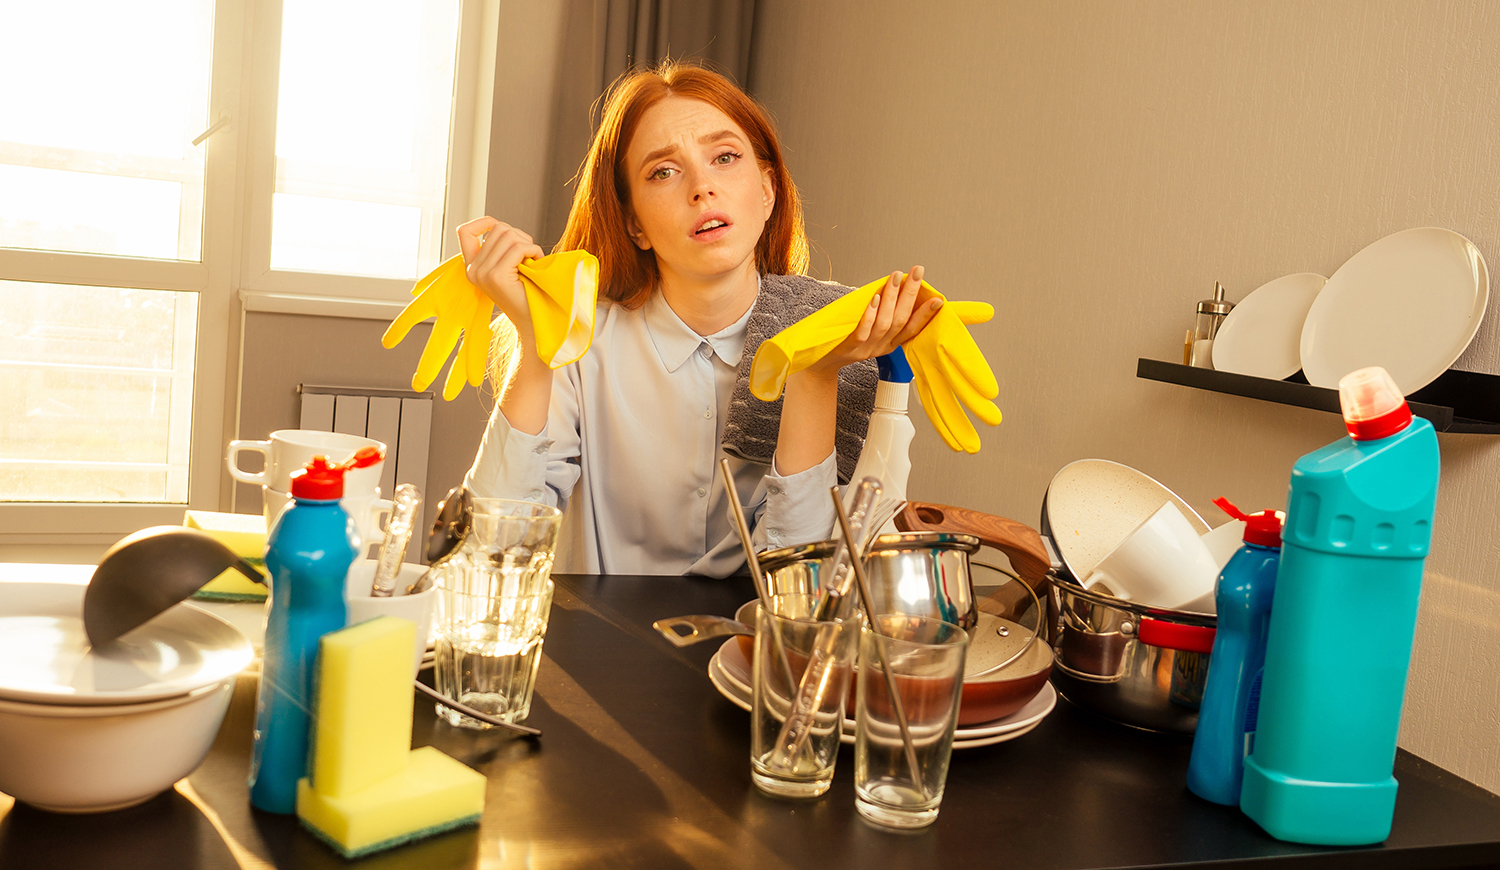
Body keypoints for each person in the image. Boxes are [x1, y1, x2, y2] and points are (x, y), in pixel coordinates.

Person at [460, 60, 941, 577]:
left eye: (725, 157)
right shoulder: (578, 339)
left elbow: (803, 585)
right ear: (633, 223)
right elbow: (489, 554)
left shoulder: (835, 335)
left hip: (757, 650)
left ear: (766, 191)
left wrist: (814, 377)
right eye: (663, 171)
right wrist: (535, 340)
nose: (701, 188)